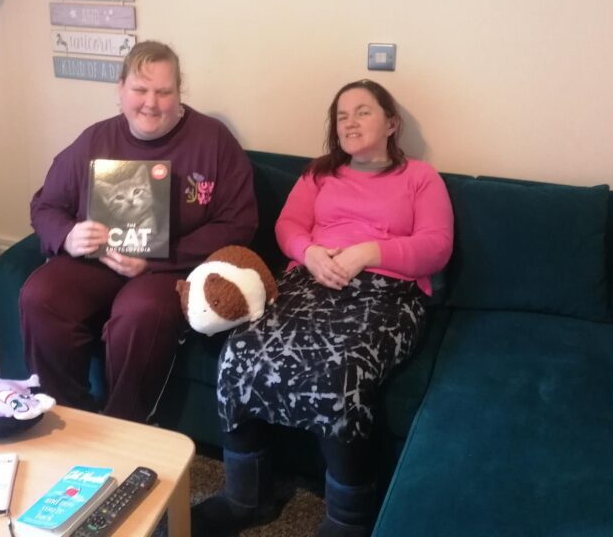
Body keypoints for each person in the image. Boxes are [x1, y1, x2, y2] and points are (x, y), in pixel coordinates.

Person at [193, 79, 453, 537]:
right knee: (240, 352)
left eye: (363, 112)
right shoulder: (319, 173)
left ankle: (347, 520)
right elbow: (288, 225)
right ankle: (246, 497)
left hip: (386, 293)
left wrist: (368, 253)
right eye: (341, 115)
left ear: (391, 123)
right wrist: (309, 252)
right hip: (310, 281)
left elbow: (436, 247)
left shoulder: (419, 178)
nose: (350, 122)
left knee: (339, 374)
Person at [19, 40, 257, 422]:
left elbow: (239, 223)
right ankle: (67, 416)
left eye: (164, 92)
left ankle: (125, 426)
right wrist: (67, 234)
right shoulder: (94, 140)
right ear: (120, 90)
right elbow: (45, 205)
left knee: (140, 312)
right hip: (96, 261)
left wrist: (158, 257)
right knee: (40, 294)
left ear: (179, 93)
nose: (151, 102)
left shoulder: (212, 141)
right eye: (140, 90)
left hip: (168, 269)